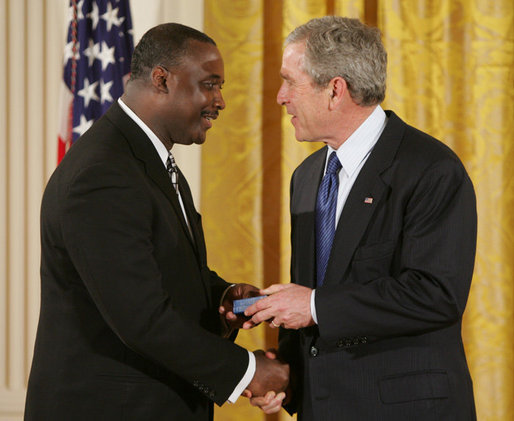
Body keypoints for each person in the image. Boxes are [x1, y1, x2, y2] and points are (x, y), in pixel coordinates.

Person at [24, 23, 288, 421]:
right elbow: (141, 319)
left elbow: (156, 273)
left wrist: (220, 297)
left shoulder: (145, 162)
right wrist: (248, 372)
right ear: (162, 79)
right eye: (209, 84)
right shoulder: (104, 174)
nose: (220, 100)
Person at [244, 16, 477, 420]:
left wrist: (315, 305)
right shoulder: (306, 177)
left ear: (335, 90)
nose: (280, 97)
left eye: (289, 81)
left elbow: (435, 294)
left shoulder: (431, 169)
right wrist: (286, 377)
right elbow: (309, 292)